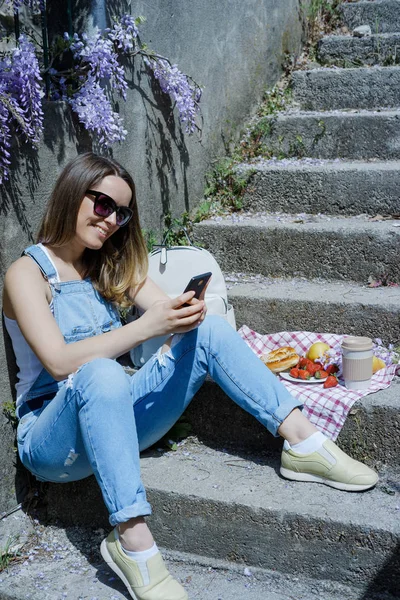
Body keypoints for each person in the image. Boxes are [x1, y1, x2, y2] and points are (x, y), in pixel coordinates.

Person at [3, 153, 378, 600]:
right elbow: (61, 362)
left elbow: (167, 313)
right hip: (54, 441)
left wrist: (184, 314)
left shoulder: (107, 262)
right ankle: (133, 542)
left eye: (120, 213)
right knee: (101, 374)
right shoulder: (26, 273)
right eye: (102, 204)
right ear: (72, 192)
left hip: (118, 420)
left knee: (210, 330)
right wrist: (148, 327)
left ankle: (304, 443)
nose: (110, 221)